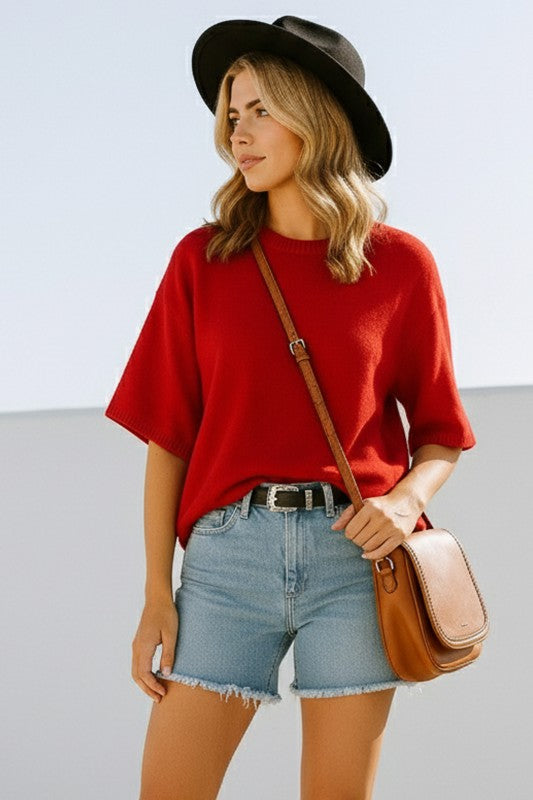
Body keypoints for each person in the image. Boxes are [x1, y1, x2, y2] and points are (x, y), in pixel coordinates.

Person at [104, 15, 477, 800]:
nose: (236, 134)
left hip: (356, 564)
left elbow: (440, 434)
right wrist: (155, 595)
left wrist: (403, 501)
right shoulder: (203, 261)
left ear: (316, 118)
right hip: (224, 564)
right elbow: (169, 438)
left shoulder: (400, 266)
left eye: (260, 111)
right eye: (231, 114)